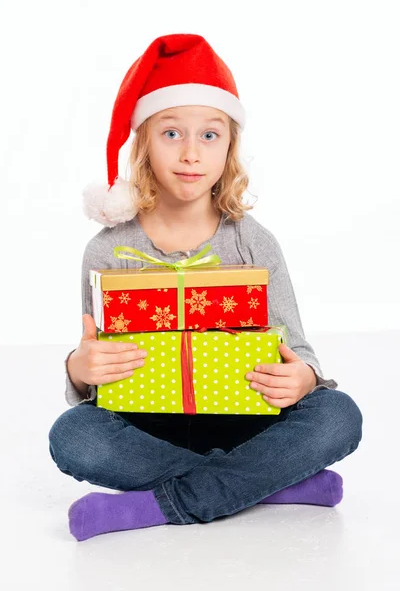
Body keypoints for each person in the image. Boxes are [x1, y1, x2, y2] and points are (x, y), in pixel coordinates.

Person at [48, 33, 363, 542]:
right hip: (147, 425)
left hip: (244, 420)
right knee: (73, 436)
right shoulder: (106, 249)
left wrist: (303, 378)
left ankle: (156, 505)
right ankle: (266, 484)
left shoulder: (254, 242)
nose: (191, 153)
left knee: (339, 415)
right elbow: (94, 371)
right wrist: (79, 370)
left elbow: (300, 352)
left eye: (210, 136)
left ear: (229, 147)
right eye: (171, 133)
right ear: (144, 143)